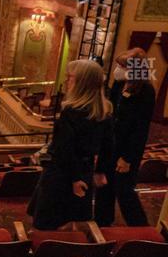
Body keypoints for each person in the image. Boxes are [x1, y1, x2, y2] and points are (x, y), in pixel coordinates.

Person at [28, 59, 113, 230]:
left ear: (82, 83)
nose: (67, 82)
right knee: (70, 221)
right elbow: (109, 145)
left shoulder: (70, 112)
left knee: (44, 224)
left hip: (61, 174)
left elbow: (64, 150)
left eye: (70, 78)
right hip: (85, 171)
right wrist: (100, 170)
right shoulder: (105, 111)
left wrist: (74, 179)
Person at [95, 48, 155, 226]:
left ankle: (140, 229)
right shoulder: (120, 84)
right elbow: (111, 112)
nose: (118, 68)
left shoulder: (146, 91)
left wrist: (127, 158)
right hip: (110, 144)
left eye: (123, 65)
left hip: (127, 149)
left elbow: (140, 129)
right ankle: (102, 224)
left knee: (124, 190)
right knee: (104, 187)